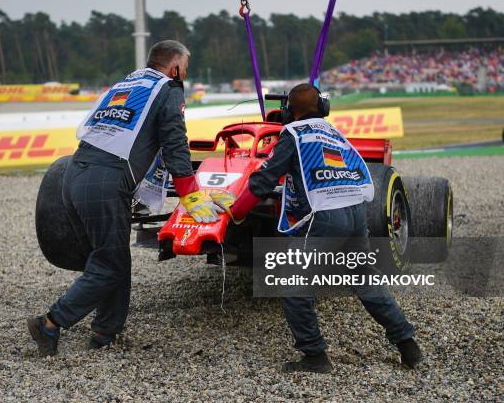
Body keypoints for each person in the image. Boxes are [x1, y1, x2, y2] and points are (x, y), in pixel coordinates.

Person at [211, 83, 422, 373]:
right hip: (356, 212)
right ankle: (407, 344)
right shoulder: (334, 133)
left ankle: (315, 356)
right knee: (364, 278)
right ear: (322, 108)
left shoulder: (293, 134)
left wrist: (236, 211)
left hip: (325, 215)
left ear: (289, 111)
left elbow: (264, 179)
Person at [28, 40, 221, 357]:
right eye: (185, 68)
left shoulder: (128, 83)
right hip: (105, 181)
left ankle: (105, 332)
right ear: (174, 68)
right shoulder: (169, 88)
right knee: (109, 264)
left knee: (111, 257)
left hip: (73, 174)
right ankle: (50, 323)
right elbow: (175, 144)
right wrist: (191, 196)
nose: (185, 74)